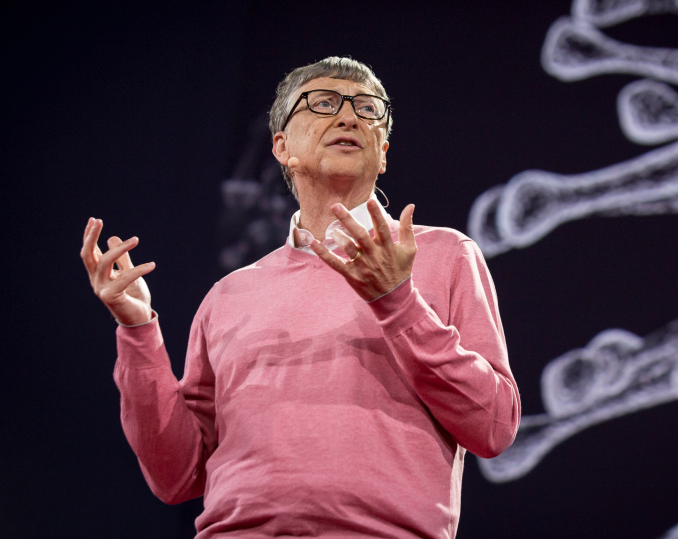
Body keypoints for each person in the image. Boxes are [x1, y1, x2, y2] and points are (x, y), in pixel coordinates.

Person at [81, 56, 520, 538]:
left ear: (383, 153)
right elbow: (177, 476)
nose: (349, 116)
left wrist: (398, 302)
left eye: (367, 109)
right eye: (324, 103)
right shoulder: (229, 295)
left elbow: (493, 426)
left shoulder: (443, 254)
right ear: (282, 147)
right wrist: (138, 332)